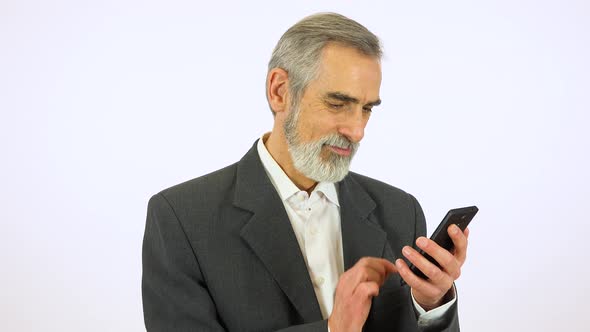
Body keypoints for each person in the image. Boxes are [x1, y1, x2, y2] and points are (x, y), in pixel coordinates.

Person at [142, 12, 469, 332]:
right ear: (280, 91)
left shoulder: (401, 211)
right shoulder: (181, 220)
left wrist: (430, 304)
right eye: (338, 104)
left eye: (366, 108)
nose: (357, 131)